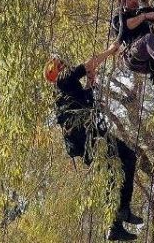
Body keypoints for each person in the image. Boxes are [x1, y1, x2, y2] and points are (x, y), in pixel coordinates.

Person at [44, 43, 142, 241]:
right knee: (124, 161)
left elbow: (86, 97)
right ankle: (119, 214)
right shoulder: (63, 80)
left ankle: (118, 218)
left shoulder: (68, 88)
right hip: (88, 137)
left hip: (89, 137)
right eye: (62, 64)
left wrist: (90, 82)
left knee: (119, 168)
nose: (66, 64)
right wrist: (112, 49)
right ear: (59, 70)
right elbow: (90, 63)